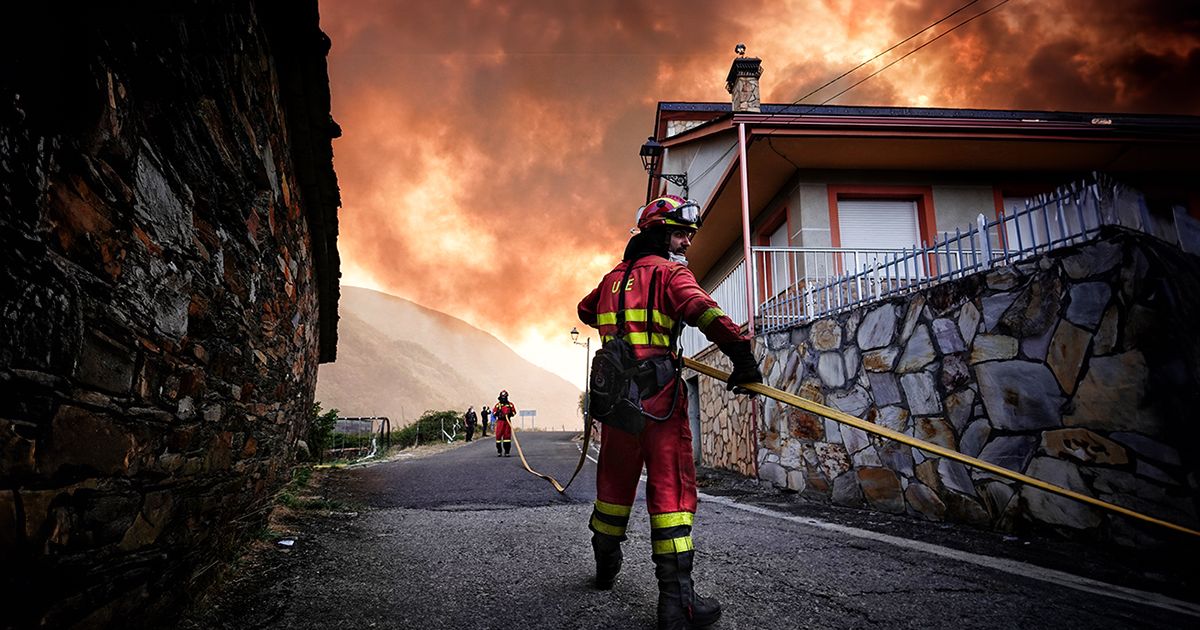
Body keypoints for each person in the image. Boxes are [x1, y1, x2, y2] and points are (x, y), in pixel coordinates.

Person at [577, 194, 762, 630]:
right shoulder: (669, 273)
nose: (686, 243)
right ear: (659, 234)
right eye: (680, 233)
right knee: (672, 493)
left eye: (688, 235)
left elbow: (585, 311)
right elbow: (706, 311)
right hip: (659, 398)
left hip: (618, 398)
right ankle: (677, 604)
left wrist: (621, 327)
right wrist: (743, 360)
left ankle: (606, 566)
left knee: (613, 483)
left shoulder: (611, 279)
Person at [492, 390, 516, 457]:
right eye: (502, 396)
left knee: (507, 437)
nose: (503, 398)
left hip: (507, 422)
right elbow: (494, 412)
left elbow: (514, 412)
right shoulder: (498, 405)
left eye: (505, 396)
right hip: (500, 422)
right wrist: (498, 413)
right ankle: (499, 451)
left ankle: (507, 452)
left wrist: (510, 414)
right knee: (498, 436)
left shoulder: (510, 405)